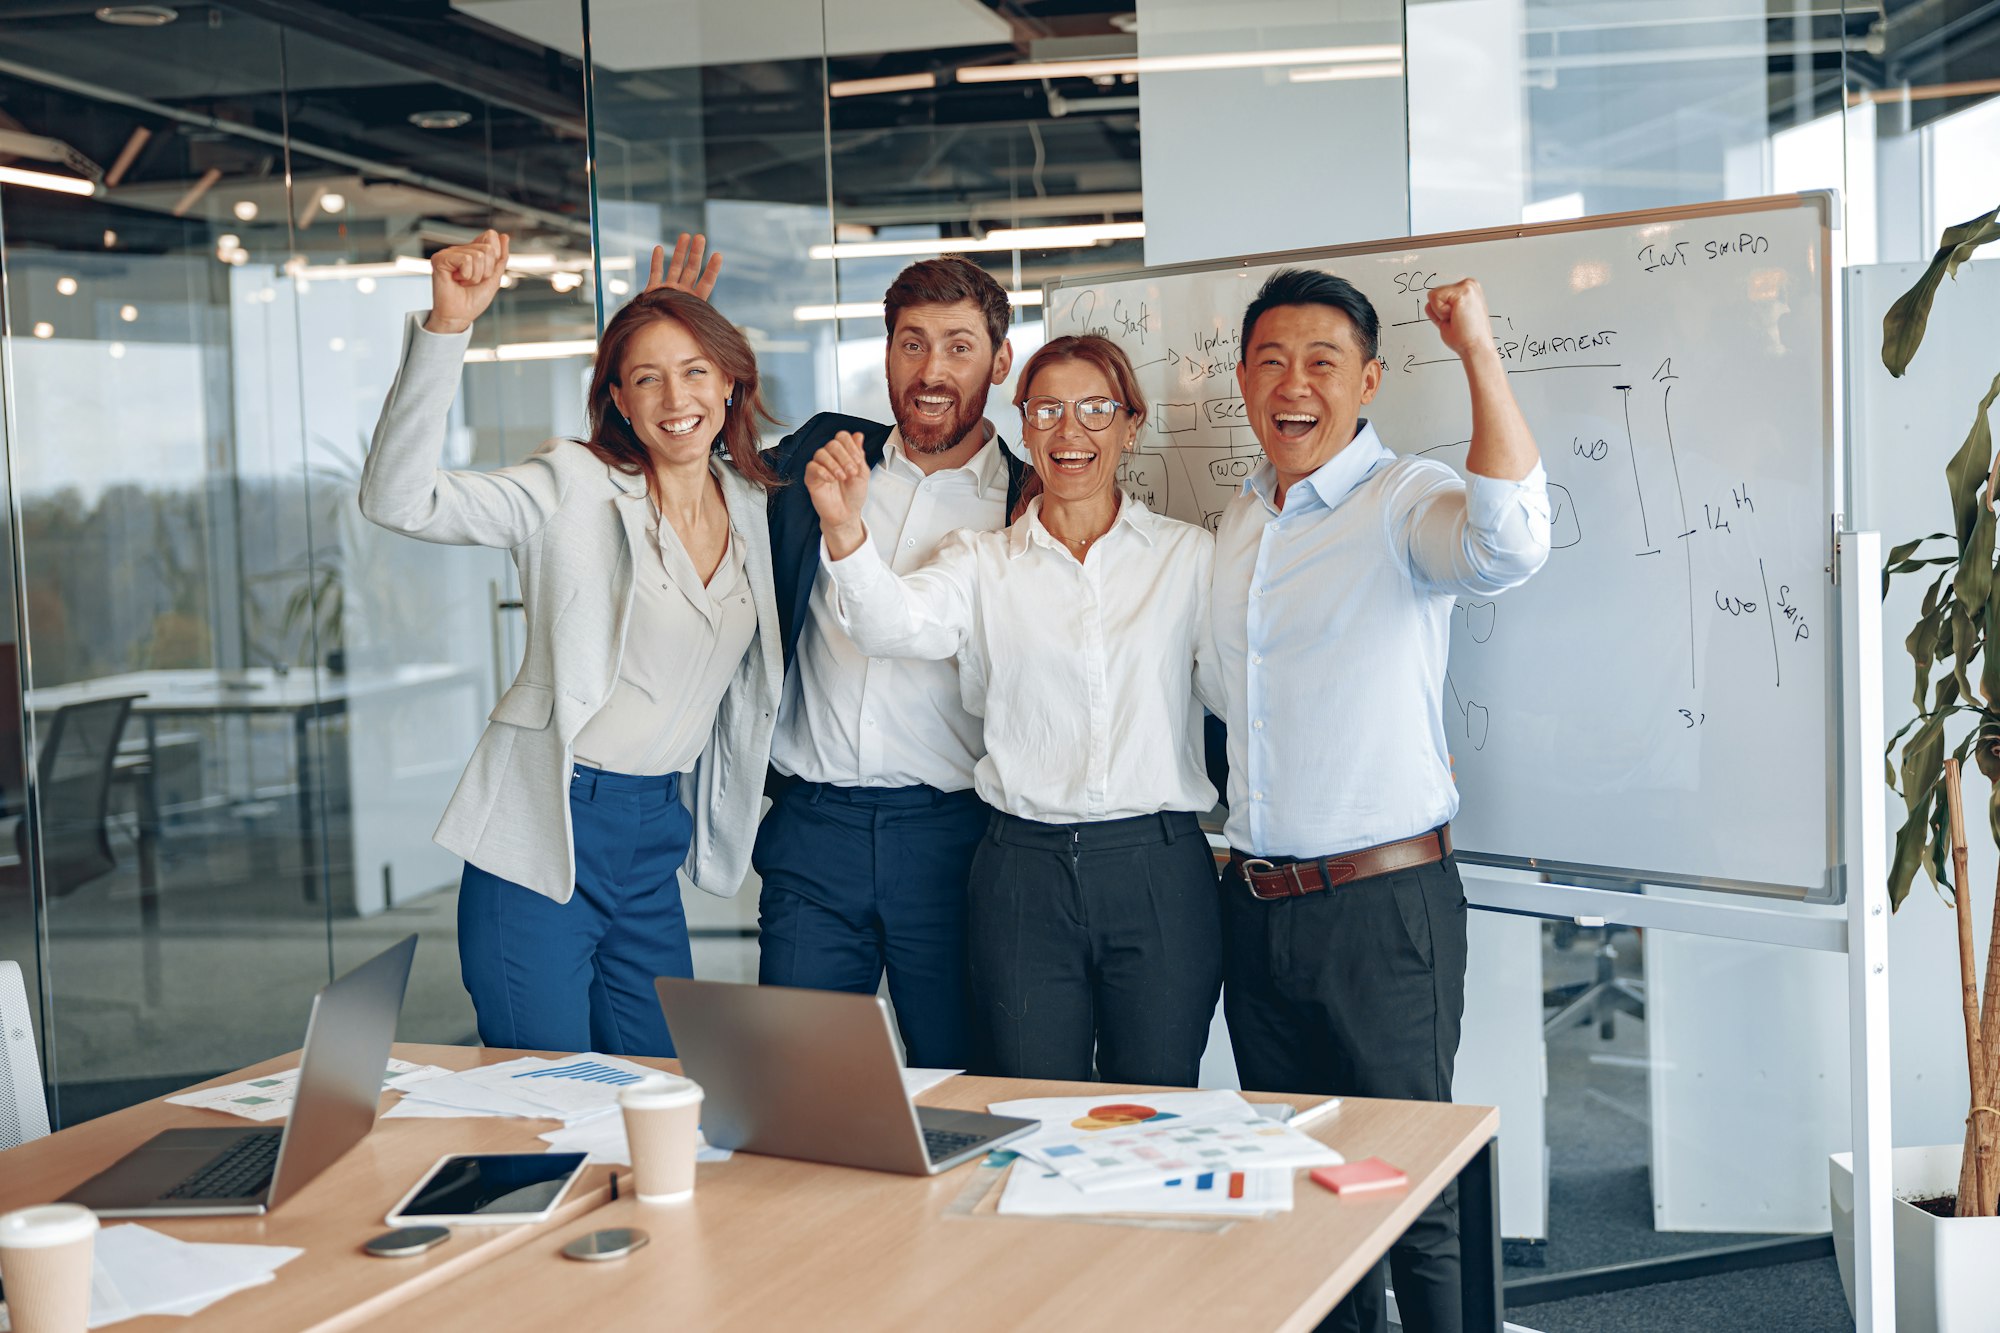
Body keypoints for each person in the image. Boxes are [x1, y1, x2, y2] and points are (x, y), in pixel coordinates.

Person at [1212, 268, 1550, 1333]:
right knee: (1307, 1187)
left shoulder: (1399, 497)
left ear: (1365, 380)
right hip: (1252, 905)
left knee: (1411, 1190)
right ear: (1240, 381)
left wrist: (1477, 354)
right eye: (1269, 360)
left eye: (1319, 361)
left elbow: (1509, 544)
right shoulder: (1235, 526)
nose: (1292, 383)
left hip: (1380, 906)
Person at [359, 229, 782, 1058]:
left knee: (659, 1089)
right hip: (549, 824)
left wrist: (678, 326)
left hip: (654, 833)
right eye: (646, 378)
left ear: (732, 383)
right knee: (539, 1095)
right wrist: (447, 330)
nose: (674, 398)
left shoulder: (754, 506)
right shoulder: (573, 486)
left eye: (697, 370)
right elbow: (399, 499)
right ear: (618, 401)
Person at [804, 335, 1223, 1086]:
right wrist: (844, 527)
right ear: (1024, 428)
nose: (1071, 431)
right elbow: (891, 624)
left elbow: (1240, 685)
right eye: (1048, 410)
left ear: (1131, 426)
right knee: (1027, 1103)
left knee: (1159, 1104)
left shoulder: (1188, 557)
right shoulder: (980, 560)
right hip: (1021, 872)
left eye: (1096, 409)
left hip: (1158, 870)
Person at [738, 252, 1030, 1069]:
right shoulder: (818, 459)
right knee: (796, 1090)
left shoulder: (1029, 504)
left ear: (1001, 361)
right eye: (912, 343)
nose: (932, 370)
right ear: (888, 349)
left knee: (964, 1087)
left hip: (957, 841)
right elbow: (692, 483)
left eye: (959, 346)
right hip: (813, 833)